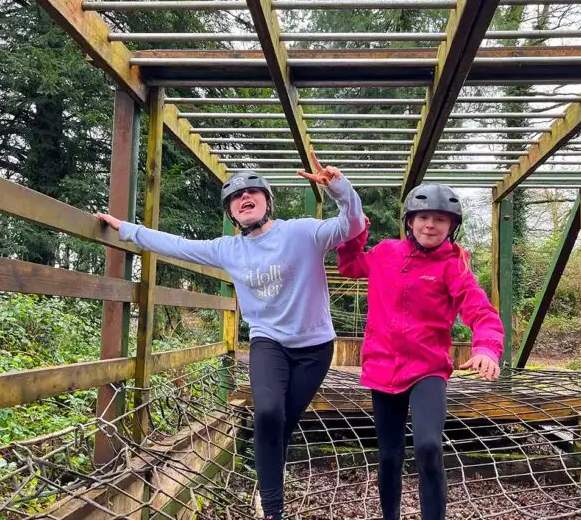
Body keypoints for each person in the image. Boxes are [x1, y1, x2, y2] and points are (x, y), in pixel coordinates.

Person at [95, 155, 365, 520]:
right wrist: (126, 229)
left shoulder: (302, 232)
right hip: (268, 342)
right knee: (268, 412)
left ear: (267, 201)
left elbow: (351, 226)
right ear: (232, 213)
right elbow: (175, 244)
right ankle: (273, 509)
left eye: (253, 192)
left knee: (283, 424)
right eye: (237, 197)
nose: (245, 198)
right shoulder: (228, 249)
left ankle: (266, 474)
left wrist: (339, 187)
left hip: (315, 346)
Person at [334, 183, 504, 520]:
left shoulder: (454, 266)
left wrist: (486, 347)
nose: (431, 225)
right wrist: (356, 226)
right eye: (423, 217)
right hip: (382, 367)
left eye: (440, 219)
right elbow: (350, 265)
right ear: (410, 222)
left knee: (428, 447)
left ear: (451, 227)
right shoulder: (385, 253)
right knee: (389, 456)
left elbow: (481, 312)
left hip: (428, 369)